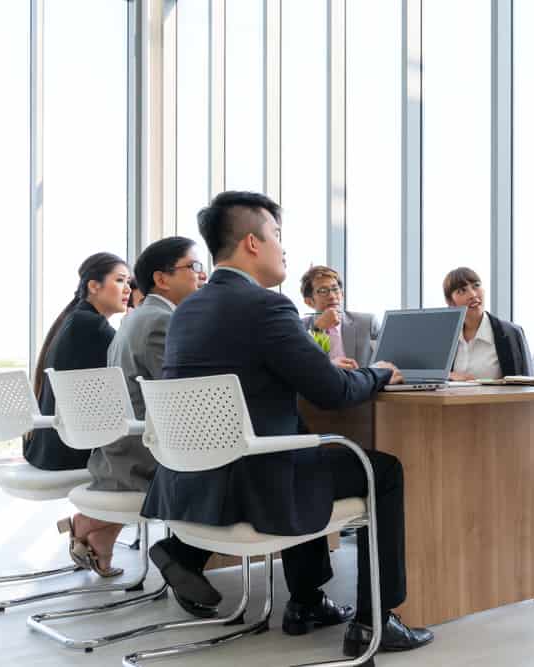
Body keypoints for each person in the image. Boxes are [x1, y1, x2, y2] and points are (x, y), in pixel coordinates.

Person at [140, 191, 434, 657]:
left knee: (300, 441)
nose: (283, 247)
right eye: (277, 235)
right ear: (253, 244)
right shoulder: (266, 307)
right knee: (384, 470)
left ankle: (307, 602)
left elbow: (260, 375)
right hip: (255, 485)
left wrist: (325, 368)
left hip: (196, 482)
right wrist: (379, 372)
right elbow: (334, 395)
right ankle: (377, 619)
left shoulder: (188, 310)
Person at [24, 251, 132, 578]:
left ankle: (97, 535)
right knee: (148, 460)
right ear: (93, 286)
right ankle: (89, 524)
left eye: (129, 282)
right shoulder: (93, 326)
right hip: (68, 448)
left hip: (48, 445)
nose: (127, 289)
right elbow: (131, 376)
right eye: (120, 280)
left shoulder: (76, 319)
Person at [88, 237, 206, 494]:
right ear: (162, 280)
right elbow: (185, 401)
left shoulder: (137, 318)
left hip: (119, 453)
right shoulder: (162, 321)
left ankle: (90, 529)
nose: (203, 275)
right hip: (144, 459)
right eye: (195, 266)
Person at [442, 267, 533, 380]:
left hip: (500, 398)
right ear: (450, 302)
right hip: (453, 397)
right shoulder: (444, 337)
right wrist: (449, 376)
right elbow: (428, 378)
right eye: (462, 291)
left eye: (476, 285)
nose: (472, 295)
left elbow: (525, 386)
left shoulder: (510, 333)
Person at [300, 265, 381, 369]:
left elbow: (387, 359)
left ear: (342, 294)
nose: (332, 296)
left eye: (335, 289)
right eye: (323, 291)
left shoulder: (367, 323)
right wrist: (317, 329)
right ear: (309, 302)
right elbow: (301, 364)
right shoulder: (300, 328)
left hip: (360, 384)